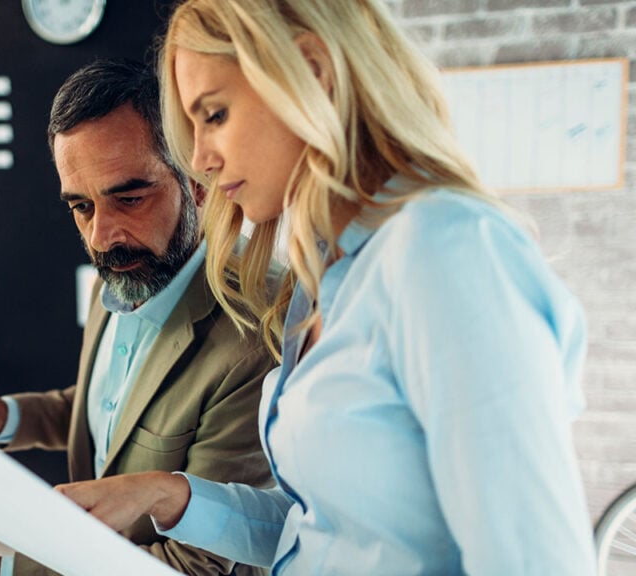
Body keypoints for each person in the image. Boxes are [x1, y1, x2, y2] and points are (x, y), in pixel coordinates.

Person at [55, 1, 597, 574]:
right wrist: (169, 495)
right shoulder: (322, 277)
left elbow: (535, 561)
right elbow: (323, 529)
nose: (199, 159)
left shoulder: (444, 250)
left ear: (311, 74)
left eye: (213, 115)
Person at [0, 58, 276, 576]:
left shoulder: (253, 338)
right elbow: (111, 415)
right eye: (81, 207)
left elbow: (198, 568)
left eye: (129, 198)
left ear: (196, 182)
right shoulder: (125, 272)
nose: (102, 236)